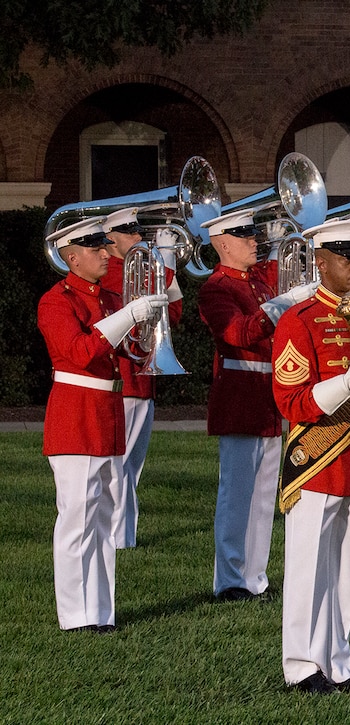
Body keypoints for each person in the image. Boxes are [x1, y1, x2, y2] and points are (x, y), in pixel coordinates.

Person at [38, 216, 168, 631]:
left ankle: (100, 611)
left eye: (102, 246)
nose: (103, 253)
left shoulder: (108, 299)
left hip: (106, 413)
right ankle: (76, 616)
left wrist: (144, 325)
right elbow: (79, 353)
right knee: (77, 519)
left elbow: (125, 353)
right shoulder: (56, 301)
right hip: (76, 415)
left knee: (102, 517)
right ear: (71, 258)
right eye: (94, 249)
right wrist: (125, 317)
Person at [272, 218, 350, 694]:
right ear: (321, 262)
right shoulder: (299, 321)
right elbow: (291, 402)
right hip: (317, 459)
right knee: (308, 565)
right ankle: (300, 664)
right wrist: (347, 382)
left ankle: (337, 658)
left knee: (348, 563)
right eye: (346, 258)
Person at [197, 207, 317, 601]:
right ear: (224, 244)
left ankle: (255, 576)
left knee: (266, 495)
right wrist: (280, 305)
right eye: (244, 236)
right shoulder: (217, 288)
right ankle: (230, 579)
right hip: (239, 394)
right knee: (236, 494)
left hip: (268, 395)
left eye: (253, 234)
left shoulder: (258, 285)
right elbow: (236, 333)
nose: (254, 241)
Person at [98, 207, 185, 549]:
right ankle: (121, 539)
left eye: (137, 231)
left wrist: (170, 267)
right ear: (111, 239)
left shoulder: (144, 269)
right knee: (120, 464)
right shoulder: (110, 274)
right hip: (125, 378)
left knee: (132, 466)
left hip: (143, 379)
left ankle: (123, 534)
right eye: (129, 232)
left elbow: (172, 314)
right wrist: (164, 264)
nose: (138, 237)